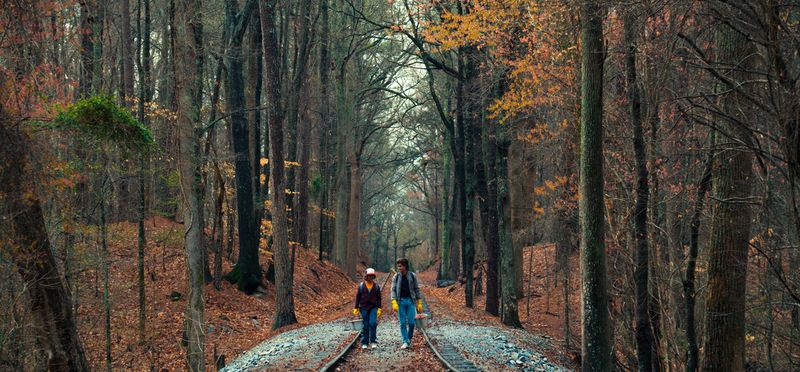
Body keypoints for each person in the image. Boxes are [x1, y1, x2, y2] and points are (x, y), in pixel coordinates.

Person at [390, 258, 423, 349]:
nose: (399, 268)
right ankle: (405, 341)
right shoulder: (396, 277)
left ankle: (408, 338)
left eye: (400, 266)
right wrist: (394, 301)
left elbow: (416, 289)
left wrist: (419, 301)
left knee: (412, 323)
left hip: (410, 301)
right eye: (398, 266)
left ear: (405, 266)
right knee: (403, 323)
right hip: (400, 302)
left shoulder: (412, 276)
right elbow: (393, 290)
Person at [353, 268, 382, 349]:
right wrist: (356, 307)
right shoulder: (361, 286)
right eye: (369, 276)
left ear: (374, 277)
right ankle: (365, 342)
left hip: (373, 307)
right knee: (365, 325)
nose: (370, 278)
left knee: (373, 323)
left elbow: (379, 298)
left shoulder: (376, 286)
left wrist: (379, 308)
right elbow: (358, 297)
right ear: (366, 276)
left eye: (372, 276)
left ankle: (373, 341)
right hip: (363, 308)